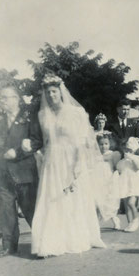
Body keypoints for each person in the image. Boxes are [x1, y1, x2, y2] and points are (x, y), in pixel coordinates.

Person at [23, 74, 105, 258]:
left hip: (72, 159)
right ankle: (51, 242)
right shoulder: (42, 115)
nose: (51, 95)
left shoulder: (76, 113)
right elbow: (44, 141)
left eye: (54, 91)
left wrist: (77, 164)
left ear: (61, 92)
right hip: (52, 161)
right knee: (51, 198)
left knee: (72, 199)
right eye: (48, 92)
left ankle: (75, 238)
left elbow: (82, 141)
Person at [0, 84, 41, 258]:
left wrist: (17, 152)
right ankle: (9, 246)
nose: (2, 101)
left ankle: (42, 243)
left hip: (25, 173)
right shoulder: (0, 123)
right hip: (4, 175)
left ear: (16, 99)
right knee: (7, 212)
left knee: (30, 210)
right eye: (1, 98)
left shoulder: (29, 118)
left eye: (5, 97)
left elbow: (36, 141)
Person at [116, 137, 139, 232]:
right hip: (125, 184)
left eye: (129, 150)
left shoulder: (137, 159)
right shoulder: (122, 161)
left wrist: (131, 158)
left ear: (134, 150)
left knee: (131, 203)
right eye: (125, 150)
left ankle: (136, 219)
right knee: (126, 205)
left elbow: (137, 167)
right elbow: (119, 170)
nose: (127, 152)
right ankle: (129, 223)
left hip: (134, 184)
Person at [96, 134, 121, 230]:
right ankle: (96, 223)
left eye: (106, 144)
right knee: (98, 201)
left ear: (110, 144)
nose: (103, 146)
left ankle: (115, 220)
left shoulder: (113, 154)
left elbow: (116, 168)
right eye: (101, 144)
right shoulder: (95, 155)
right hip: (98, 180)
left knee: (110, 201)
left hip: (109, 180)